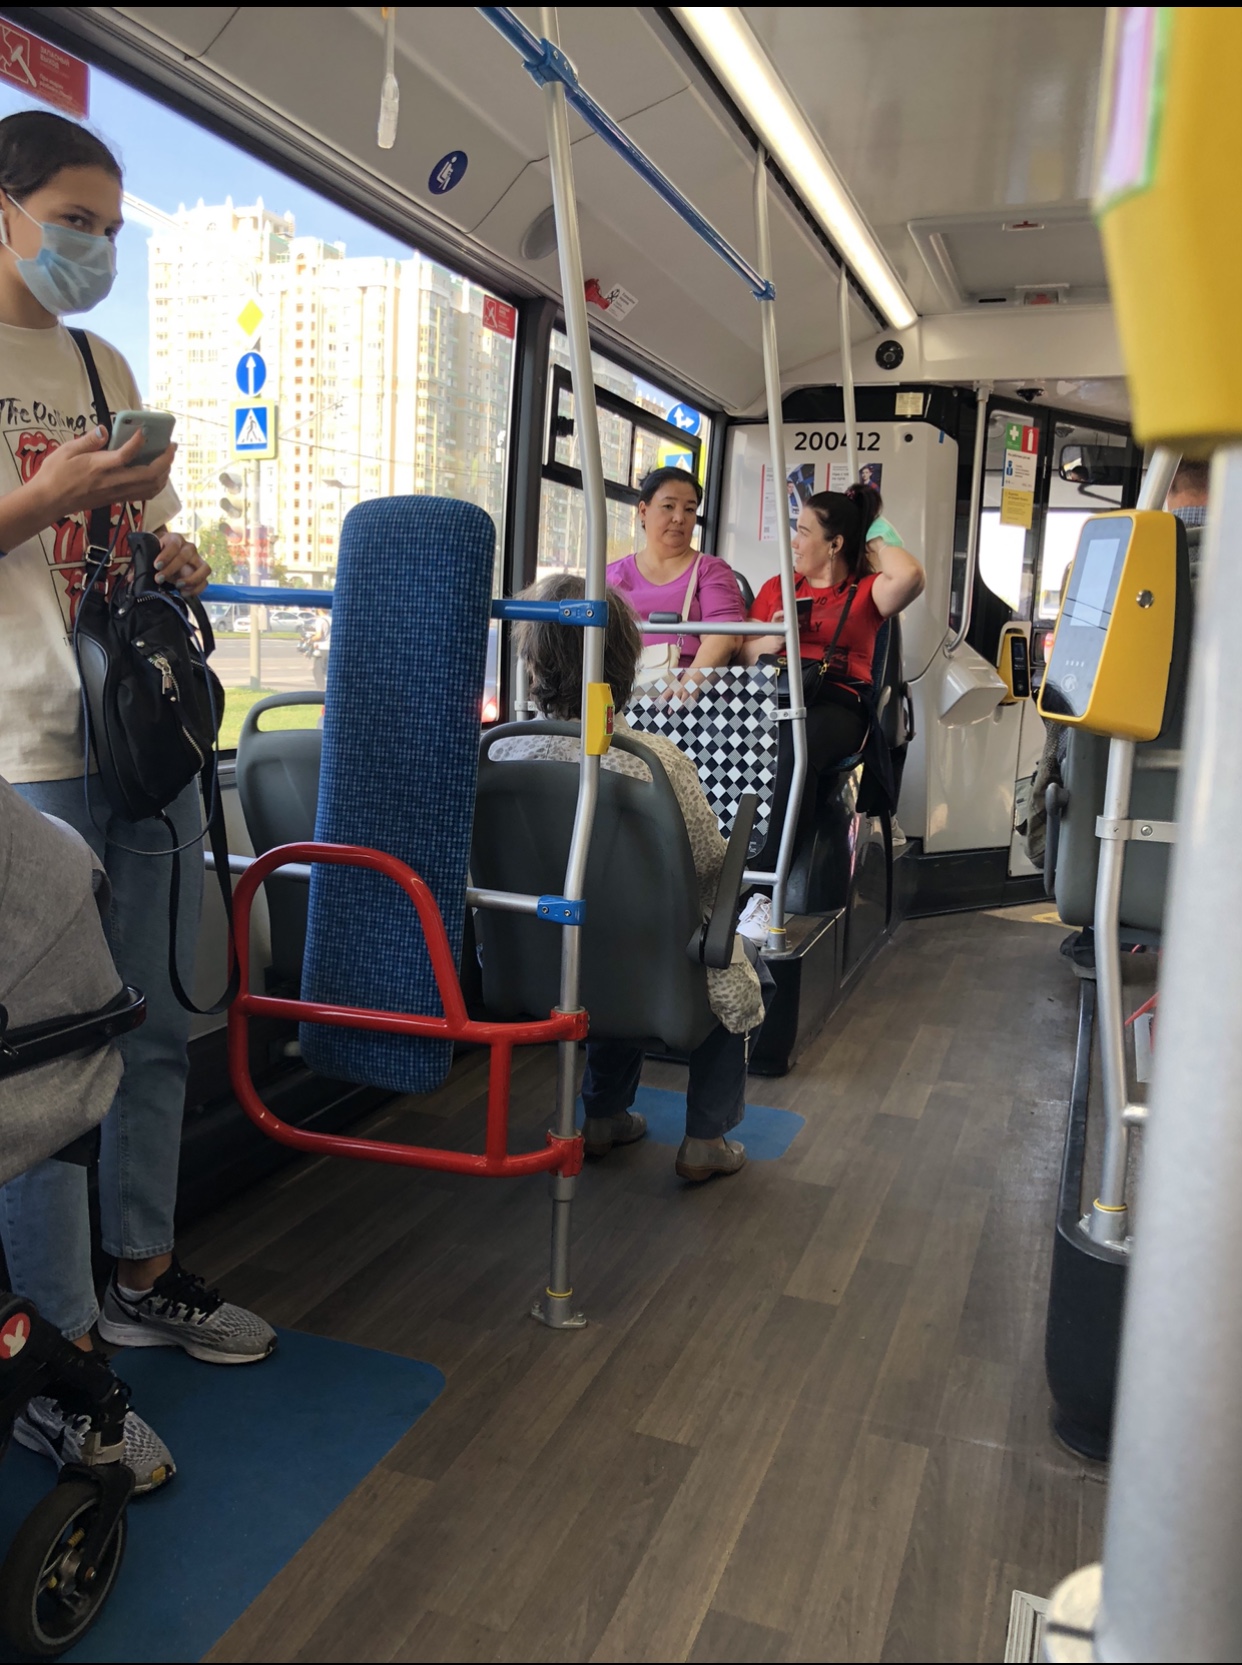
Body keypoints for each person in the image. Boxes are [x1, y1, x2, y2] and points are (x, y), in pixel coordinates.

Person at [0, 110, 274, 1490]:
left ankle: (142, 1275)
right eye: (74, 221)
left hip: (133, 729)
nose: (95, 249)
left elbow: (127, 533)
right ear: (4, 212)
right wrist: (37, 500)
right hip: (23, 741)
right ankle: (58, 1357)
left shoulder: (101, 363)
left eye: (109, 228)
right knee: (48, 1065)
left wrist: (166, 548)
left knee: (160, 1018)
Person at [493, 573, 770, 1183]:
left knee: (600, 940)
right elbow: (709, 870)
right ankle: (705, 1139)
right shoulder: (654, 763)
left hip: (537, 961)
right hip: (642, 965)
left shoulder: (501, 754)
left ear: (532, 666)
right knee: (742, 963)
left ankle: (602, 1117)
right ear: (625, 665)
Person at [740, 483, 924, 882]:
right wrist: (772, 641)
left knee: (794, 745)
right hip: (777, 695)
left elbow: (910, 575)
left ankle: (761, 886)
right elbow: (742, 654)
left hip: (837, 703)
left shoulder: (867, 592)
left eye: (804, 533)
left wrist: (872, 534)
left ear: (834, 544)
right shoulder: (778, 588)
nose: (794, 543)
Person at [607, 466, 744, 681]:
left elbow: (724, 636)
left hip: (688, 690)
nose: (679, 518)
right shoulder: (610, 575)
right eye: (668, 506)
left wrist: (688, 687)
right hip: (618, 689)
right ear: (643, 511)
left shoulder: (710, 570)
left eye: (689, 509)